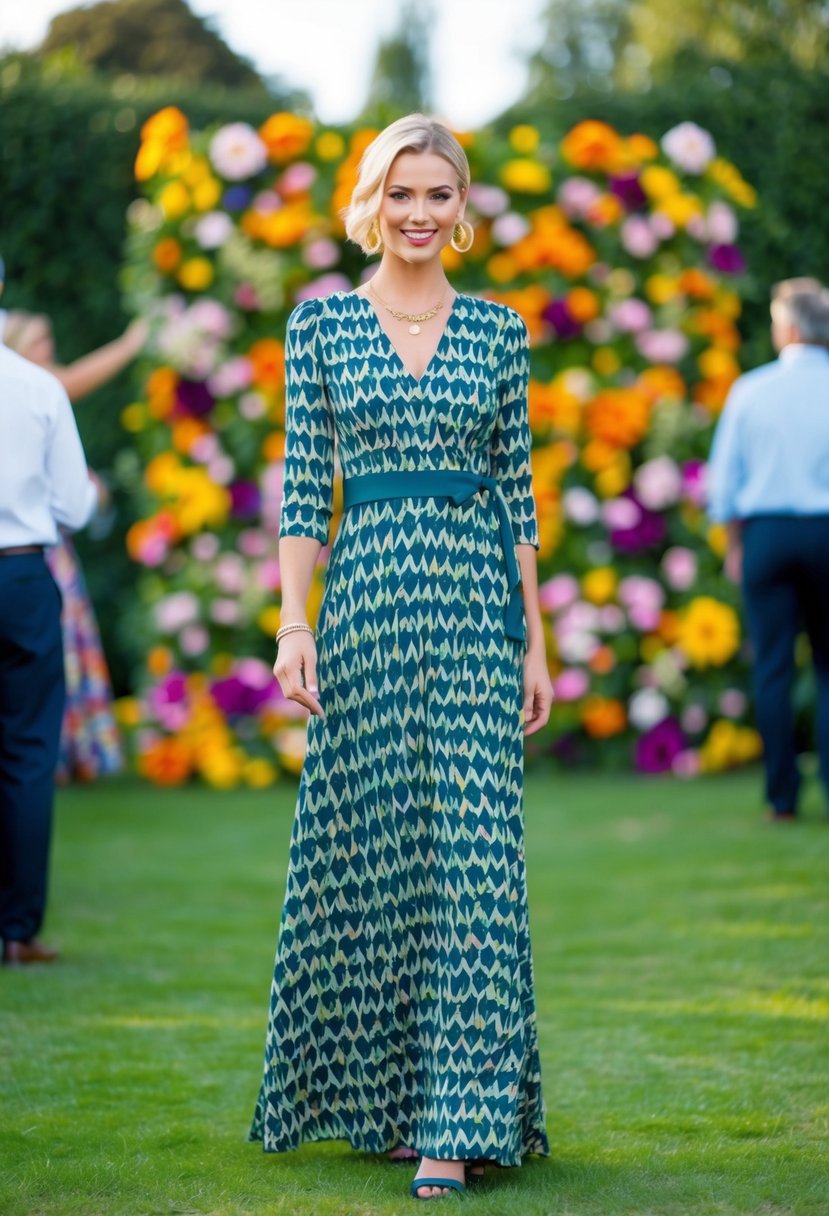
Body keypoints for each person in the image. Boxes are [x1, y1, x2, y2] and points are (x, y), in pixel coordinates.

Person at [248, 113, 553, 1201]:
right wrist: (295, 624)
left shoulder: (500, 331)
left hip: (475, 610)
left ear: (462, 208)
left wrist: (535, 639)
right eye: (402, 193)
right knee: (375, 856)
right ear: (371, 200)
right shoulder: (320, 329)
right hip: (368, 605)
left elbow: (518, 492)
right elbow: (301, 494)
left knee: (474, 857)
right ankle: (386, 1103)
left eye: (439, 194)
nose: (419, 214)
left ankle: (456, 1122)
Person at [1, 307, 146, 781]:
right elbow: (72, 505)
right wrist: (130, 344)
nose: (49, 349)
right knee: (31, 719)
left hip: (33, 557)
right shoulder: (36, 387)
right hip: (29, 558)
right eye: (41, 339)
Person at [707, 280, 829, 821]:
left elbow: (724, 483)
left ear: (791, 328)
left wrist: (736, 545)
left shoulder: (750, 389)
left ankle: (782, 799)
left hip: (767, 535)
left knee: (773, 668)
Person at [0, 336, 99, 965]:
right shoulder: (37, 386)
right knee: (29, 752)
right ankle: (17, 930)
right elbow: (76, 507)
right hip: (20, 575)